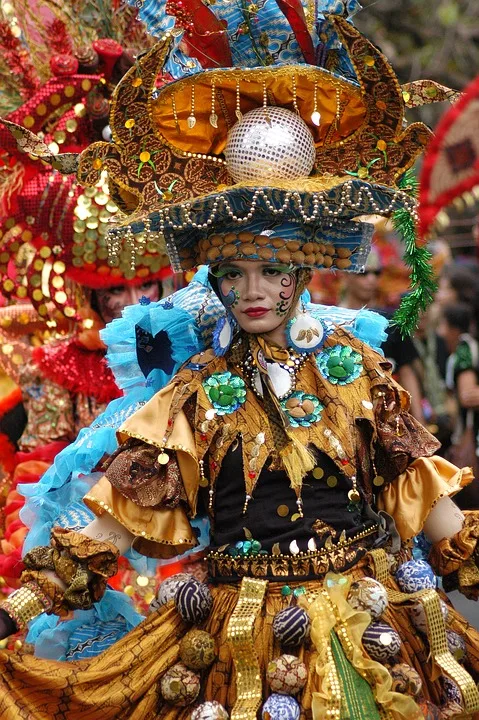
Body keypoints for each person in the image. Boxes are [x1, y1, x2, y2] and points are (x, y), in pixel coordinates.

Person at [0, 3, 478, 719]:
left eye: (270, 271)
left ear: (301, 272)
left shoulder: (359, 374)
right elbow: (111, 528)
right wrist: (17, 608)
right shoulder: (193, 397)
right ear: (213, 280)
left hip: (368, 634)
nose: (251, 292)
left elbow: (428, 506)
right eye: (234, 274)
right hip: (233, 653)